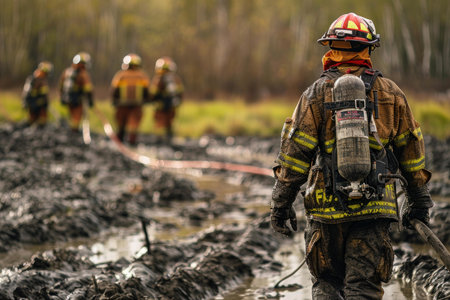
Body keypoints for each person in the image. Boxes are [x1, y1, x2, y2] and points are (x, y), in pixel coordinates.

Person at [270, 12, 433, 299]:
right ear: (368, 49)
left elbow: (294, 156)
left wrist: (280, 205)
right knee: (364, 288)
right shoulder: (391, 93)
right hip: (374, 207)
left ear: (331, 49)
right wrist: (419, 202)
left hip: (326, 210)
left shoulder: (316, 93)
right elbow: (411, 153)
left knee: (327, 282)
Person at [110, 53, 151, 145]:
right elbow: (146, 91)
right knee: (134, 124)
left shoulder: (121, 75)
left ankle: (119, 141)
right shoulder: (142, 75)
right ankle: (132, 142)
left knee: (121, 123)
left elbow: (114, 90)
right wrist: (147, 100)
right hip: (137, 104)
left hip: (122, 104)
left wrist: (114, 101)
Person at [150, 56, 184, 141]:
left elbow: (153, 93)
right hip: (172, 106)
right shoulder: (176, 79)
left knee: (160, 123)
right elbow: (180, 93)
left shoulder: (158, 79)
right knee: (169, 123)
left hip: (160, 106)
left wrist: (152, 100)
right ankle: (169, 138)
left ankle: (160, 140)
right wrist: (178, 102)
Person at [59, 52, 94, 132]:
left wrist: (62, 97)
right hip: (78, 99)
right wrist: (90, 100)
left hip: (67, 98)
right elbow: (88, 88)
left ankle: (72, 129)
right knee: (77, 115)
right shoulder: (83, 74)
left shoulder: (67, 72)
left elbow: (61, 86)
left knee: (71, 114)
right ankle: (74, 131)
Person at [22, 61, 53, 126]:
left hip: (40, 103)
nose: (45, 75)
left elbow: (44, 92)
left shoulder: (43, 80)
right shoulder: (33, 79)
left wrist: (44, 100)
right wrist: (26, 102)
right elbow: (27, 92)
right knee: (32, 117)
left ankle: (40, 129)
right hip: (33, 102)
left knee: (42, 118)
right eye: (45, 73)